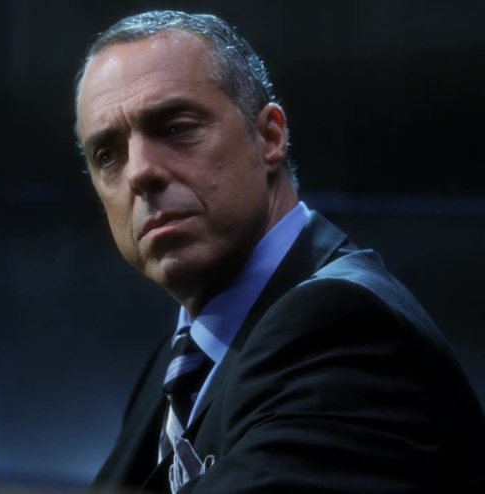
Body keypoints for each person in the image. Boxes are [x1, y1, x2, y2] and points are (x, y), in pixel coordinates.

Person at [74, 10, 484, 493]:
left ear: (269, 136)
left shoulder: (342, 325)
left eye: (176, 128)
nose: (140, 172)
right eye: (108, 155)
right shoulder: (176, 361)